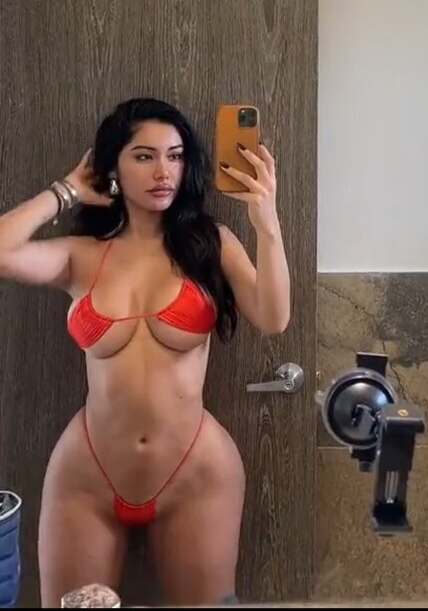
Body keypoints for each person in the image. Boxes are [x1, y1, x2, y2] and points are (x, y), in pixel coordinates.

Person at [0, 97, 290, 608]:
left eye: (175, 156)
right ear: (112, 165)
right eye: (144, 156)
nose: (163, 172)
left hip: (194, 471)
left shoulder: (211, 244)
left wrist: (266, 223)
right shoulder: (81, 255)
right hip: (88, 473)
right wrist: (67, 190)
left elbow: (273, 317)